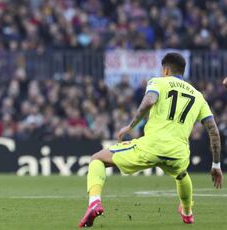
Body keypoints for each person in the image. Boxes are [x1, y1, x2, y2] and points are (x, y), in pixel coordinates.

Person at [78, 52, 223, 227]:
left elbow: (149, 101)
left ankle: (94, 203)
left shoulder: (158, 82)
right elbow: (214, 131)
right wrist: (216, 165)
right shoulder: (198, 96)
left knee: (97, 159)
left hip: (152, 146)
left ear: (166, 70)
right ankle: (187, 212)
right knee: (181, 174)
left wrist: (131, 126)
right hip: (179, 153)